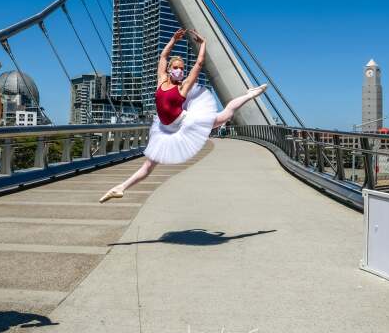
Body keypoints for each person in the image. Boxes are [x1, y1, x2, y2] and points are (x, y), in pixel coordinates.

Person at [100, 28, 267, 202]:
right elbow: (163, 57)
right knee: (149, 166)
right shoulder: (161, 80)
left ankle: (250, 94)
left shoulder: (183, 86)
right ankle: (121, 188)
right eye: (176, 67)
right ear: (170, 69)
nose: (179, 70)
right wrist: (173, 40)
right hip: (165, 130)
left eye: (181, 68)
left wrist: (203, 45)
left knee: (224, 116)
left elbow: (199, 63)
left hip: (186, 123)